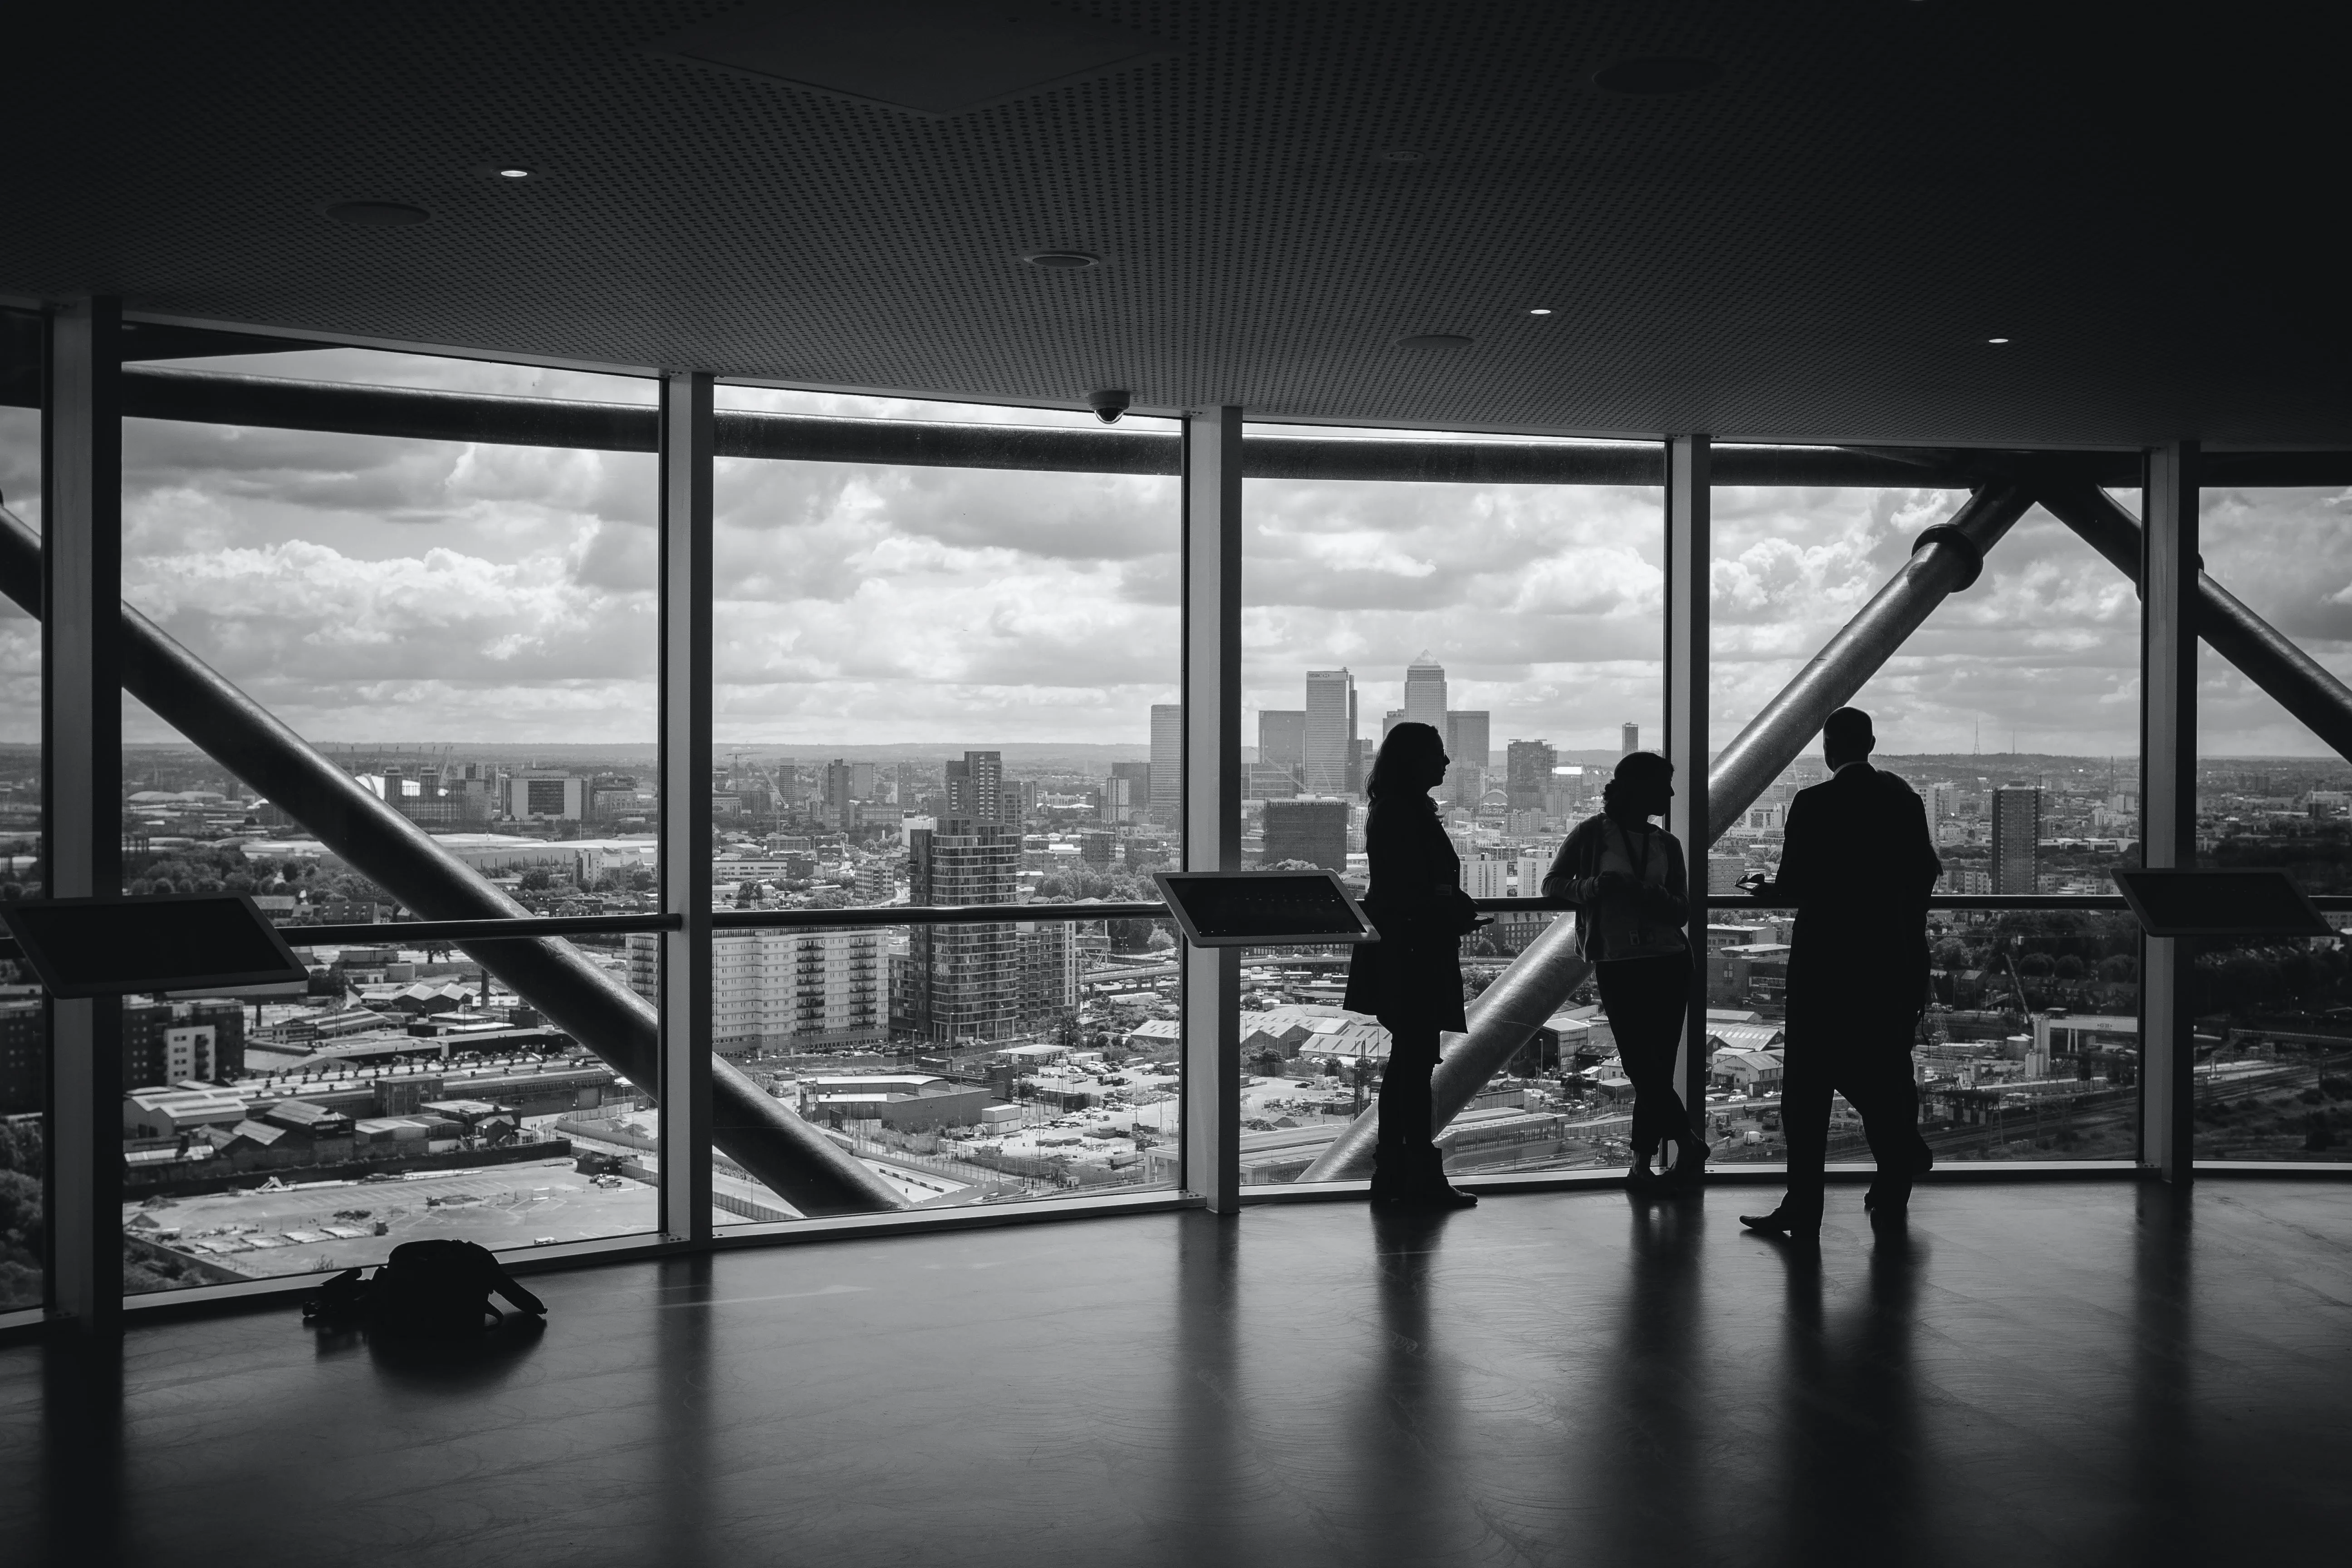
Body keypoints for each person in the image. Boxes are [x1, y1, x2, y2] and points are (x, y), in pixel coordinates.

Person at [1740, 707, 1942, 1238]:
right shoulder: (1904, 802)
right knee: (1885, 1067)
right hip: (1890, 961)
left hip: (1826, 963)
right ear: (1871, 743)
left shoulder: (1814, 803)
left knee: (1807, 1091)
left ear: (1829, 749)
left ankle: (1805, 1206)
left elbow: (1796, 886)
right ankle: (1895, 1179)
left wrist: (1765, 891)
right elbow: (1924, 874)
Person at [1543, 751, 1705, 1191]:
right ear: (1640, 789)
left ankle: (1641, 1164)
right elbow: (1552, 885)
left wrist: (1637, 891)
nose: (1672, 794)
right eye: (1664, 785)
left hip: (1666, 961)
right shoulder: (1592, 836)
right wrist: (1593, 887)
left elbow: (1681, 910)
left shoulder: (1666, 844)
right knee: (1642, 1065)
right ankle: (1685, 1143)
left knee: (1653, 1067)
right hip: (1625, 962)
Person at [1343, 721, 1484, 1208]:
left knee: (1409, 1065)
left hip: (1402, 948)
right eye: (1438, 755)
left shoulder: (1391, 810)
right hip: (1414, 952)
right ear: (1415, 761)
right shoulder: (1406, 813)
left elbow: (1403, 886)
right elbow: (1414, 889)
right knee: (1414, 1066)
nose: (1446, 764)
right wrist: (1452, 910)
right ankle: (1415, 1174)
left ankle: (1397, 1173)